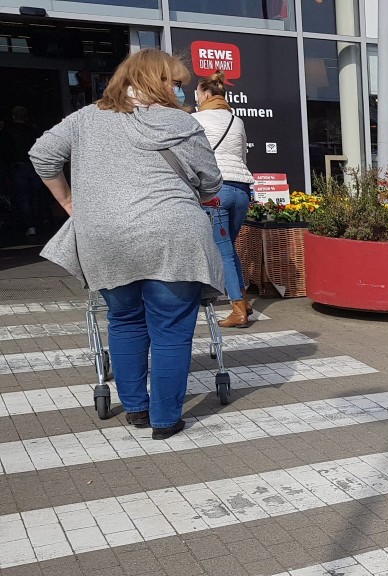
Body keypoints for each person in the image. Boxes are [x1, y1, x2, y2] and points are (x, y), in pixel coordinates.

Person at [31, 48, 223, 440]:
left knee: (123, 320)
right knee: (170, 328)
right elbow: (212, 182)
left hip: (105, 237)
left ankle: (135, 407)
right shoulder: (182, 124)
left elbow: (42, 155)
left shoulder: (85, 118)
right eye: (176, 82)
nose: (181, 91)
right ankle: (165, 418)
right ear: (157, 81)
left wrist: (69, 202)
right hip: (173, 234)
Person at [193, 70, 255, 328]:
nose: (195, 98)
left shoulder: (195, 119)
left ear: (206, 94)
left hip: (216, 190)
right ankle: (243, 301)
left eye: (197, 93)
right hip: (241, 190)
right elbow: (242, 154)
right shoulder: (236, 120)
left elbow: (193, 157)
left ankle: (238, 309)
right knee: (228, 249)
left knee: (224, 251)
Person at [3, 107, 43, 236]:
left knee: (23, 197)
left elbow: (6, 151)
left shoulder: (7, 132)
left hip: (17, 166)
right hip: (32, 165)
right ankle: (38, 222)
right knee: (35, 196)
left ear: (13, 116)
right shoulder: (32, 131)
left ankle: (29, 226)